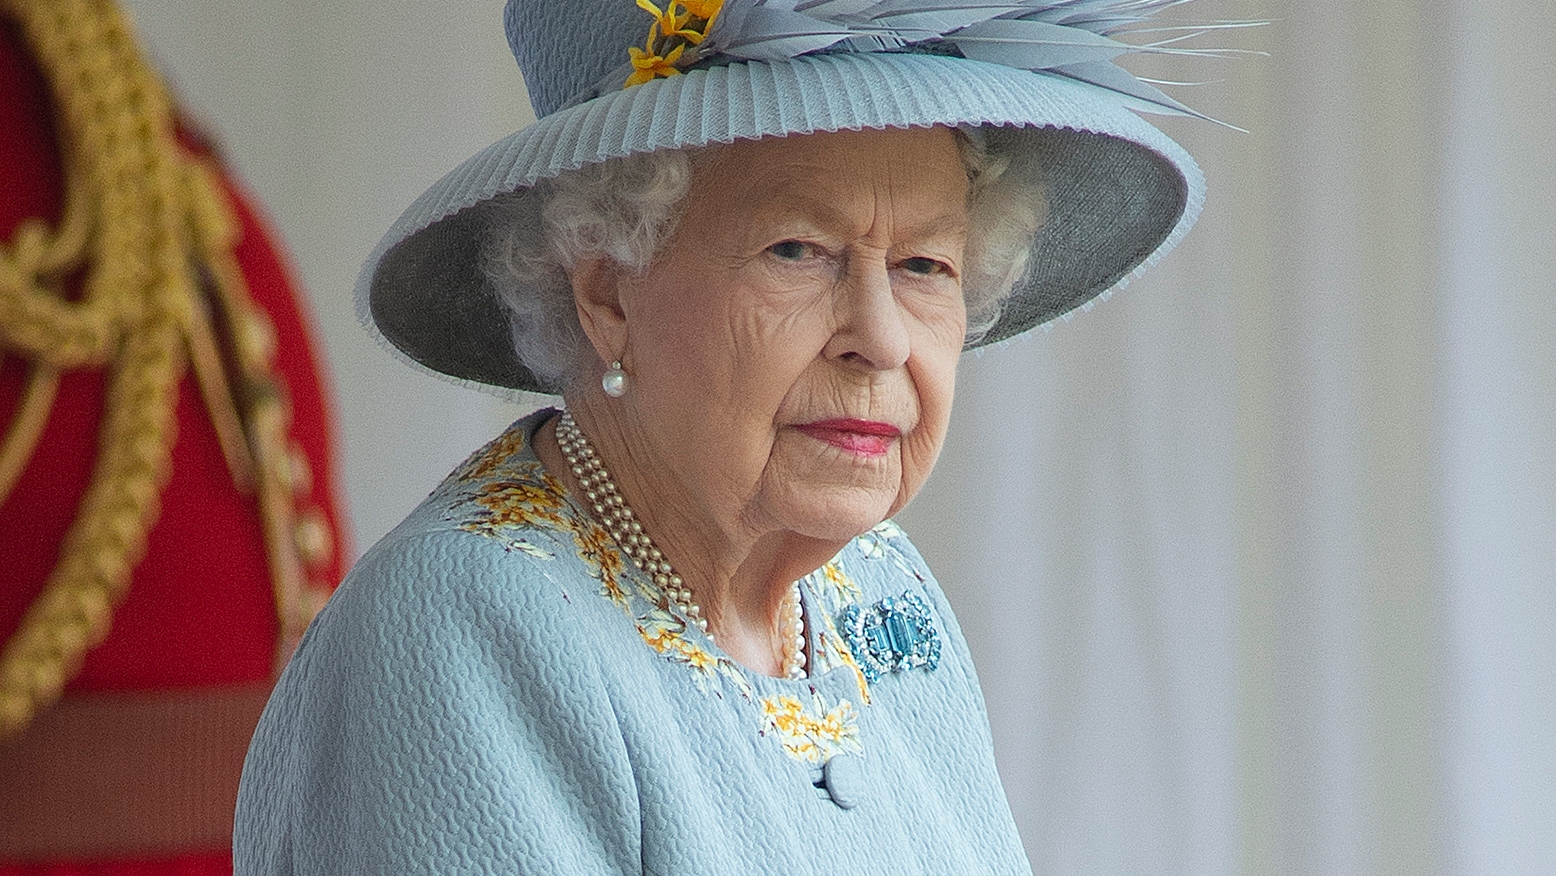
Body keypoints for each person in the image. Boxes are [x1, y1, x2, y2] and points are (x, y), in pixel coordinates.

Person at [236, 1, 1221, 872]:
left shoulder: (876, 596)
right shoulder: (468, 630)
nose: (879, 339)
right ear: (608, 290)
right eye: (797, 251)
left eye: (924, 265)